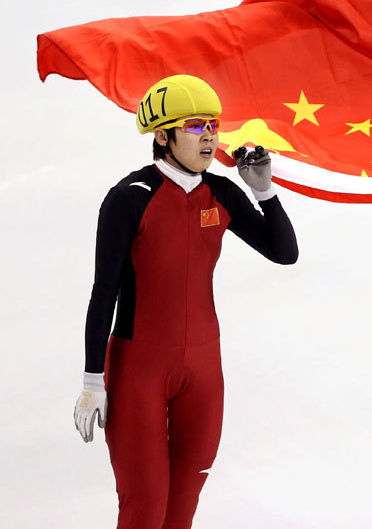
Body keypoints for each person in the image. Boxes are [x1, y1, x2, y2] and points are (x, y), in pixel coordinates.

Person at [72, 74, 299, 528]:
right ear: (162, 135)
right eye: (195, 125)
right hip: (139, 371)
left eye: (213, 124)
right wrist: (92, 380)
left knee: (183, 504)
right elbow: (104, 292)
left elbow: (284, 252)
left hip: (203, 370)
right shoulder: (129, 198)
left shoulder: (223, 193)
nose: (210, 135)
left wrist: (264, 190)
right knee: (146, 506)